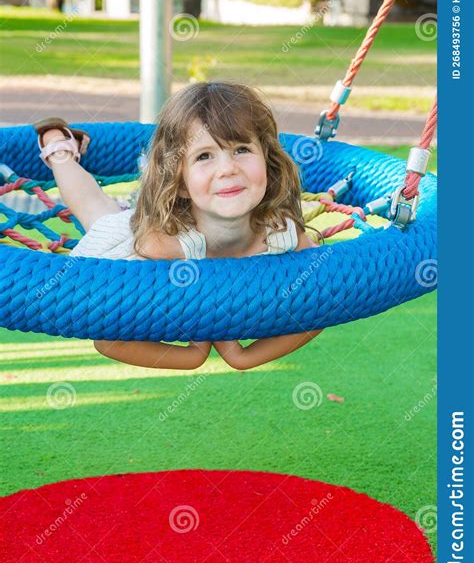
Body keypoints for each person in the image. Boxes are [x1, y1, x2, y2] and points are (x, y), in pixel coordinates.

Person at [35, 81, 323, 371]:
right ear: (181, 185)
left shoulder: (282, 231)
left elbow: (323, 304)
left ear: (267, 162)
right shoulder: (160, 246)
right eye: (205, 156)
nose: (228, 169)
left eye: (241, 150)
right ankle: (59, 150)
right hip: (132, 236)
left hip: (183, 213)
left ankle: (157, 165)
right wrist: (194, 354)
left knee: (100, 207)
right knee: (94, 209)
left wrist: (242, 355)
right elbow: (106, 341)